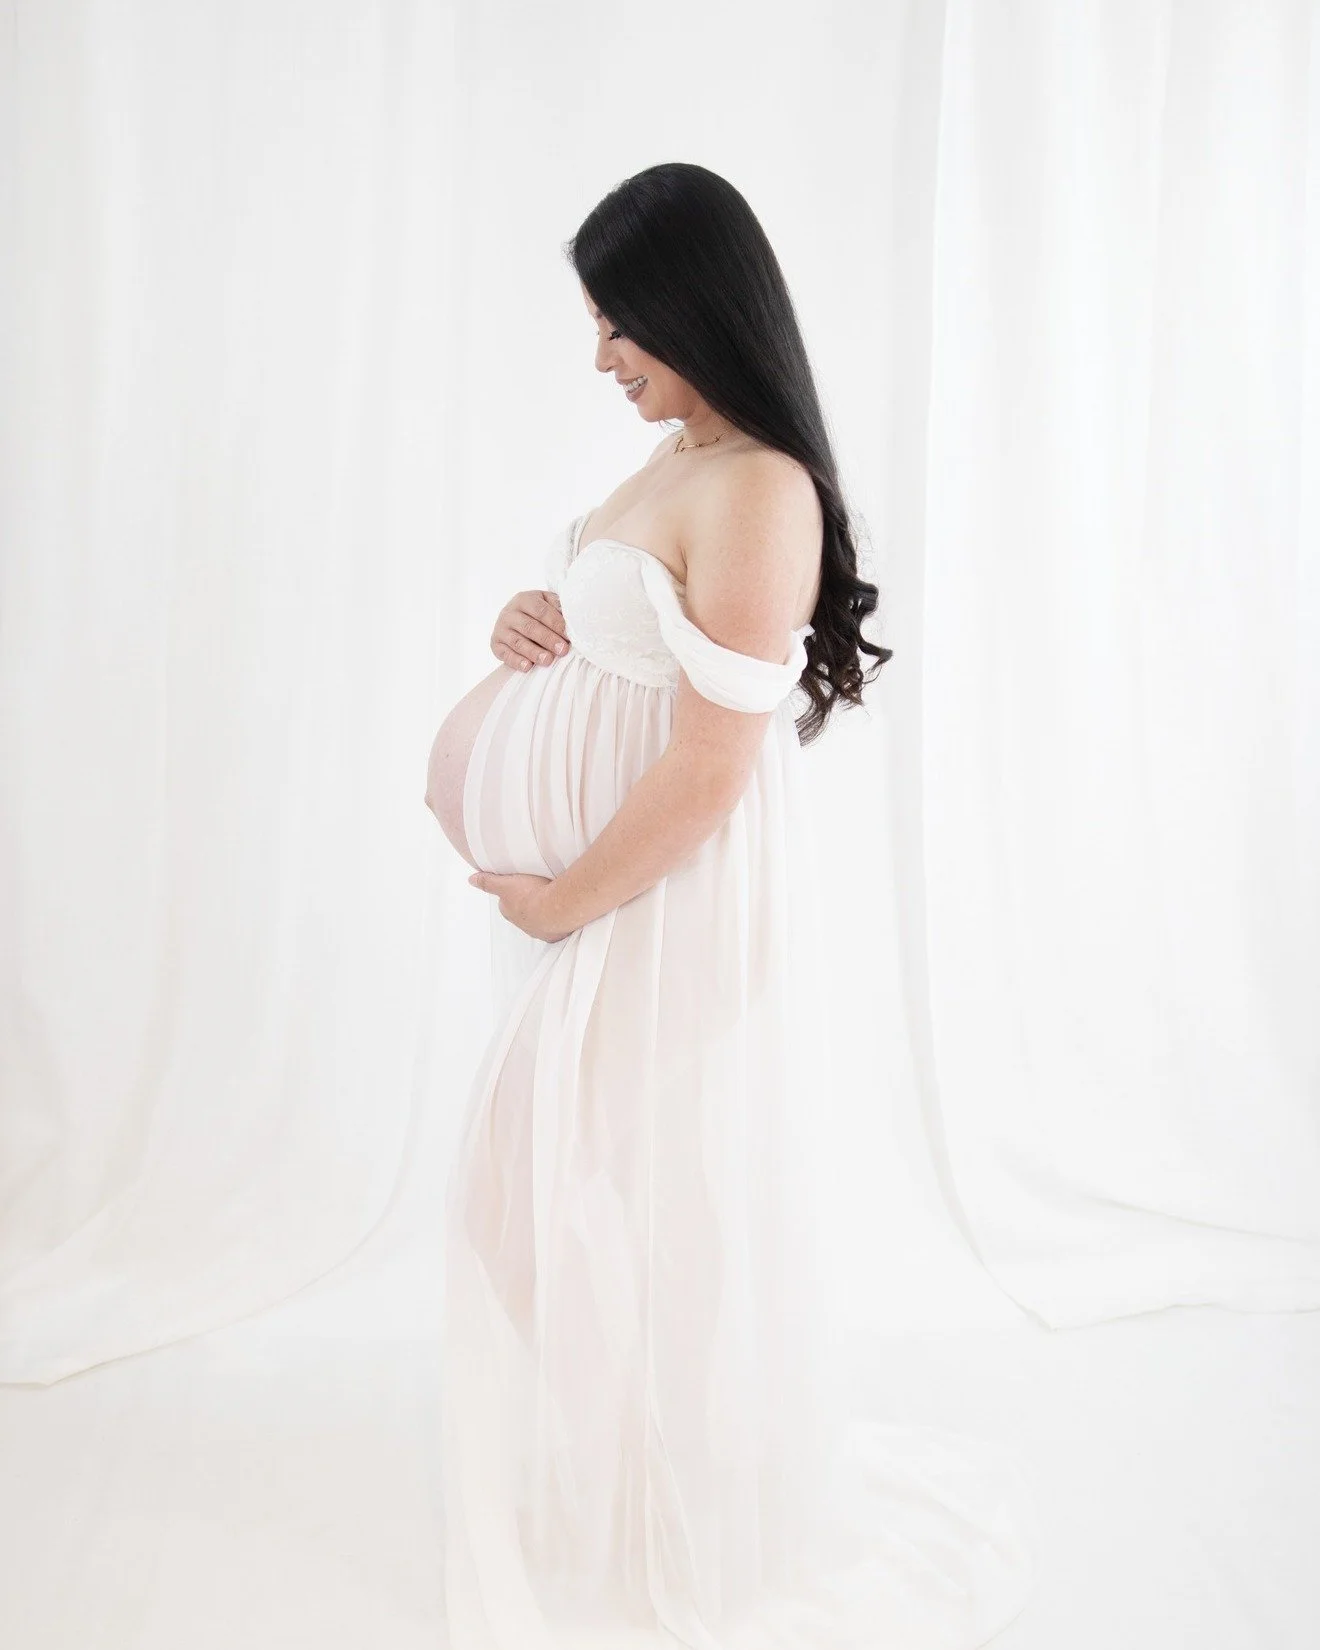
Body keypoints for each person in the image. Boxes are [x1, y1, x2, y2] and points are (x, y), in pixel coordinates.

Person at [426, 162, 1035, 1650]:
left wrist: (563, 898)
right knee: (588, 1195)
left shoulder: (760, 483)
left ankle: (677, 1508)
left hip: (666, 893)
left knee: (579, 1196)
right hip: (610, 893)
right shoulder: (674, 457)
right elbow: (629, 651)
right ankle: (649, 1486)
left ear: (693, 299)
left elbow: (710, 765)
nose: (601, 356)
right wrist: (537, 622)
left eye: (619, 321)